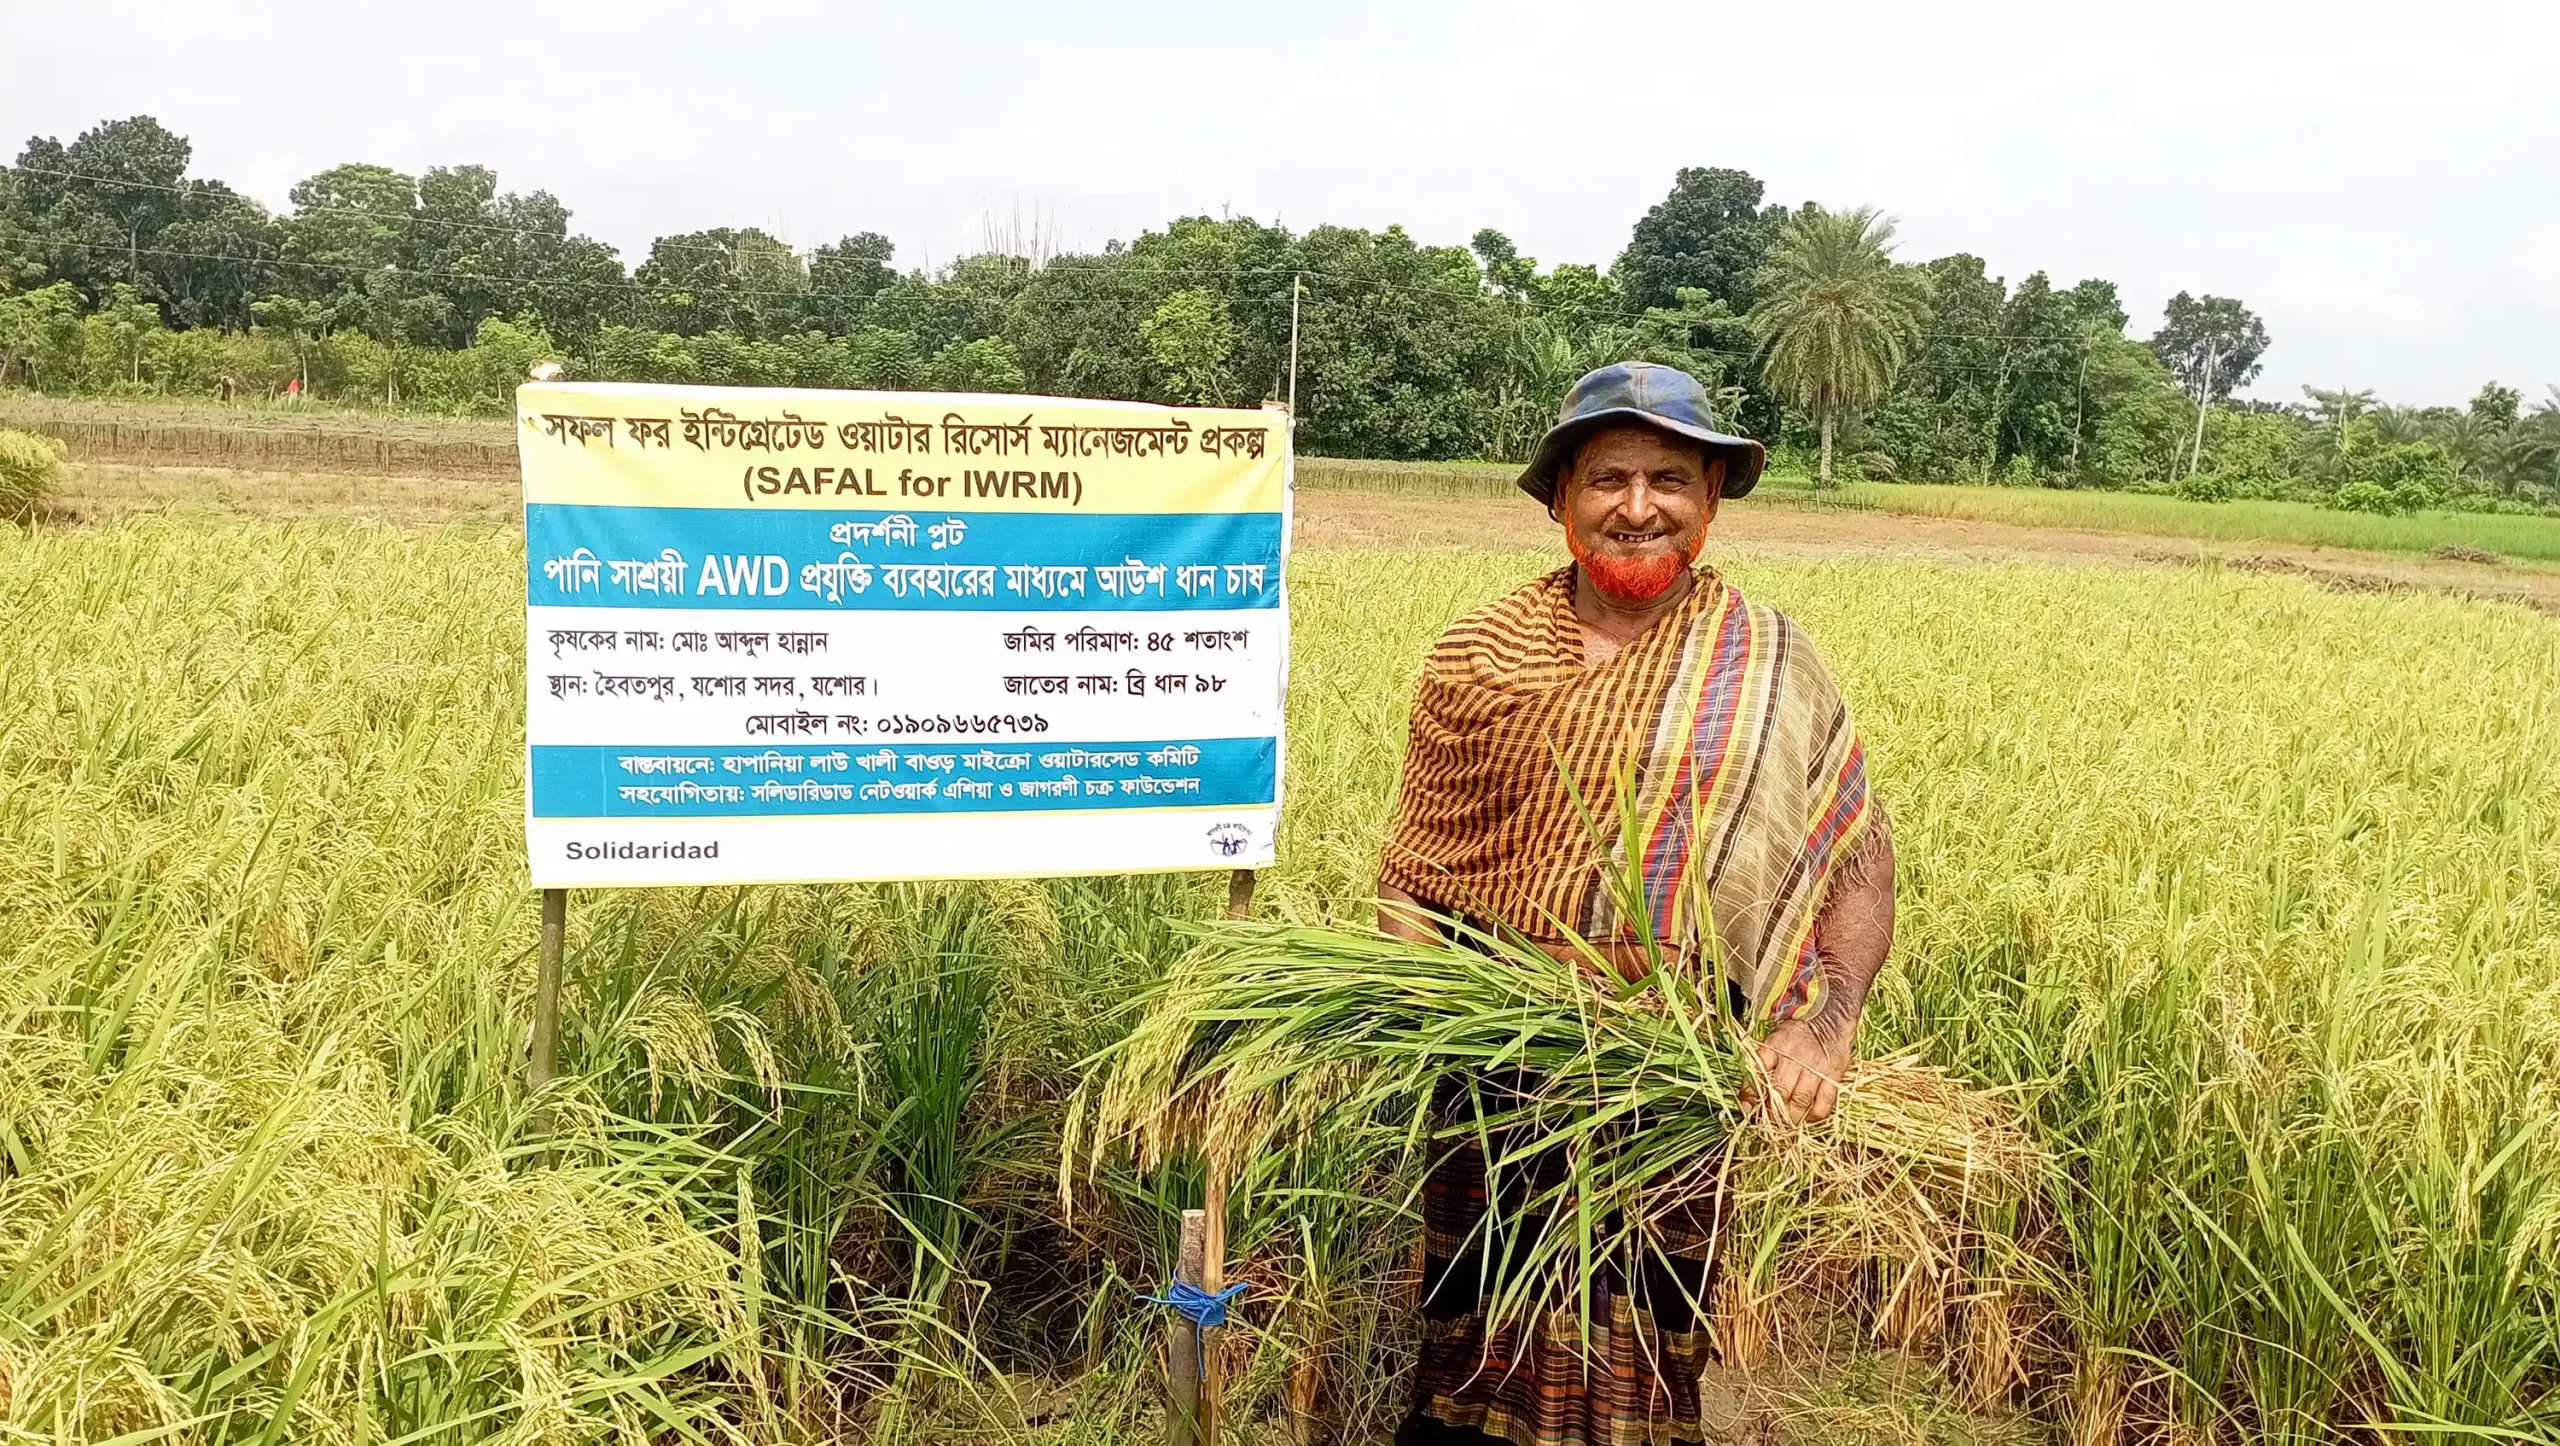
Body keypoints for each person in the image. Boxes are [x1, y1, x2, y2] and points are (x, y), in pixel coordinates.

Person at [1376, 362, 1896, 1446]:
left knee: (1648, 1341)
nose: (1637, 505)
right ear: (1561, 497)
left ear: (1711, 500)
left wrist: (1824, 1028)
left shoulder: (1768, 660)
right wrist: (1432, 1005)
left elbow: (1857, 864)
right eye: (1608, 477)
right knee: (1482, 1332)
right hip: (1496, 1075)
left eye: (1670, 476)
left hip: (1676, 1075)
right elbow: (1413, 872)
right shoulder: (1477, 659)